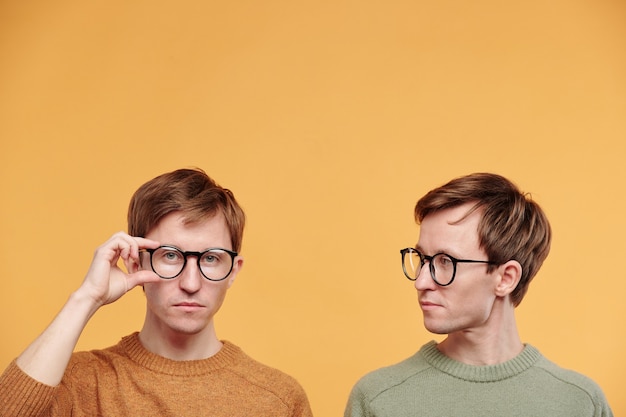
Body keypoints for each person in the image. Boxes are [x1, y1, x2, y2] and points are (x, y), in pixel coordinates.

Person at [0, 168, 313, 417]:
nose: (191, 283)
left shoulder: (278, 400)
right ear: (135, 262)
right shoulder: (78, 383)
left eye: (211, 258)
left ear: (233, 270)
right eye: (171, 255)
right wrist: (86, 298)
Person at [344, 173, 613, 417]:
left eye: (445, 261)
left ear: (506, 278)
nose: (422, 281)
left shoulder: (580, 403)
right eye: (422, 258)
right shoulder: (378, 399)